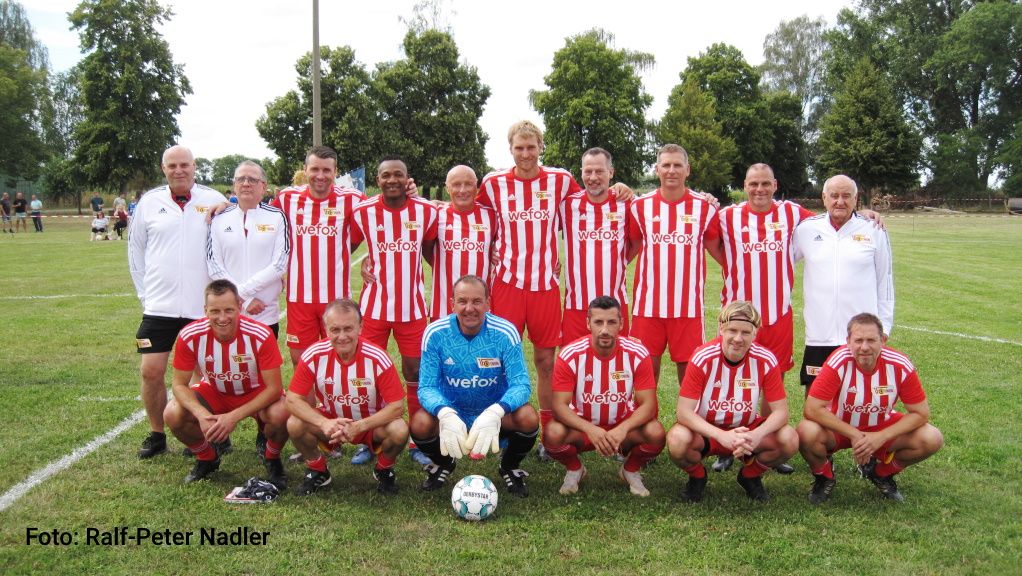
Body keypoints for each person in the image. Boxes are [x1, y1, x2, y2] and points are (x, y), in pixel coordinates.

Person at [477, 121, 631, 452]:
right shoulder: (493, 183)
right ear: (510, 149)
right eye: (519, 147)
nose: (526, 153)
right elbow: (472, 213)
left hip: (545, 286)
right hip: (507, 284)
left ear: (541, 147)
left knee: (547, 361)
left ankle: (548, 432)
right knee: (501, 358)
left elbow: (593, 197)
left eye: (531, 147)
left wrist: (622, 188)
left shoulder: (560, 181)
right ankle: (501, 427)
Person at [128, 144, 226, 459]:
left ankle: (210, 433)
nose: (178, 170)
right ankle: (157, 434)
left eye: (184, 165)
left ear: (194, 166)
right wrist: (146, 294)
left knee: (203, 375)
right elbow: (136, 252)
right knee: (151, 371)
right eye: (172, 166)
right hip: (159, 307)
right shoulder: (148, 202)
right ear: (163, 168)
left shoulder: (214, 200)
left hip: (200, 307)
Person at [413, 275, 539, 497]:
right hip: (453, 414)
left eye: (477, 301)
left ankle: (509, 466)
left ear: (488, 303)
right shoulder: (435, 333)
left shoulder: (505, 332)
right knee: (420, 423)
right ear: (452, 304)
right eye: (462, 301)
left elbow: (521, 384)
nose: (469, 308)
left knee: (528, 417)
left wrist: (495, 411)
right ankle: (444, 463)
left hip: (493, 416)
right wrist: (445, 413)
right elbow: (426, 387)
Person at [797, 313, 943, 503]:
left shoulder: (899, 364)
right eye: (858, 340)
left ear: (883, 340)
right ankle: (824, 476)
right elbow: (812, 408)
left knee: (932, 438)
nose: (864, 347)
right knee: (805, 432)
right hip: (840, 426)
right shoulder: (838, 360)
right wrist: (856, 435)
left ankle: (881, 473)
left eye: (871, 340)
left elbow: (921, 413)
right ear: (848, 341)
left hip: (880, 426)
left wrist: (879, 437)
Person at [350, 157, 437, 467]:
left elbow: (432, 250)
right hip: (374, 308)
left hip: (412, 309)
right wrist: (365, 265)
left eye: (398, 175)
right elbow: (345, 247)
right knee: (369, 374)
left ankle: (417, 440)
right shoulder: (363, 211)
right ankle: (369, 439)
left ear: (406, 178)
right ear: (378, 178)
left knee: (414, 373)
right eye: (385, 175)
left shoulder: (426, 212)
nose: (392, 180)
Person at [666, 301, 799, 502]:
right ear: (721, 328)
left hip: (746, 432)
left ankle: (750, 477)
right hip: (707, 432)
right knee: (677, 440)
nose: (738, 338)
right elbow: (684, 412)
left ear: (755, 334)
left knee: (789, 438)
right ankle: (698, 477)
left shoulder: (766, 359)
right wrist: (721, 435)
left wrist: (756, 435)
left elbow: (781, 413)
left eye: (746, 332)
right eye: (732, 330)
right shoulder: (703, 357)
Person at [163, 280, 289, 487]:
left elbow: (274, 388)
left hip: (255, 392)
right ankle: (207, 458)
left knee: (282, 412)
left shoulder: (260, 334)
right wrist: (201, 414)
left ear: (240, 307)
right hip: (215, 391)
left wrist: (233, 418)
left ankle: (272, 458)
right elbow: (178, 385)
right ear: (205, 310)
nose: (222, 318)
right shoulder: (189, 335)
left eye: (229, 310)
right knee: (173, 413)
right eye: (215, 311)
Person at [285, 299, 409, 496]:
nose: (342, 336)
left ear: (360, 327)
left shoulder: (378, 357)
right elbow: (292, 399)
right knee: (294, 424)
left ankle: (384, 469)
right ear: (326, 329)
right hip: (330, 423)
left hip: (369, 424)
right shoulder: (313, 355)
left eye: (348, 328)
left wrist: (359, 426)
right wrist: (324, 423)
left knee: (399, 429)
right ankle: (318, 471)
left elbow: (396, 406)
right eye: (335, 330)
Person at [544, 296, 664, 497]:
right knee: (552, 433)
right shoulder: (570, 354)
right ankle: (575, 469)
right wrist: (590, 429)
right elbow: (559, 406)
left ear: (621, 324)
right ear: (588, 323)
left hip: (622, 429)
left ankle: (630, 470)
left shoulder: (637, 352)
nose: (605, 330)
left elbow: (648, 405)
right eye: (598, 322)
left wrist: (622, 429)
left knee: (656, 432)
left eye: (612, 322)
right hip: (583, 428)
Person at [792, 175, 894, 396]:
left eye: (846, 196)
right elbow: (779, 263)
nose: (840, 201)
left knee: (860, 399)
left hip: (861, 335)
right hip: (820, 334)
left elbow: (885, 282)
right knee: (816, 407)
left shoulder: (874, 230)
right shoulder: (806, 230)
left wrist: (883, 327)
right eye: (834, 195)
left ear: (856, 199)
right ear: (824, 197)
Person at [627, 144, 719, 387]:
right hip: (648, 308)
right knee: (644, 374)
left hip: (687, 308)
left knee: (690, 378)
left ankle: (689, 425)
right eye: (666, 165)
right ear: (657, 169)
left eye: (677, 165)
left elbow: (718, 249)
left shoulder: (705, 207)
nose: (671, 170)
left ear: (687, 170)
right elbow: (632, 247)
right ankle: (643, 425)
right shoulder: (639, 206)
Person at [272, 146, 365, 366]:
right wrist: (226, 205)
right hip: (299, 296)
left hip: (336, 297)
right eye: (315, 169)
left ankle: (336, 401)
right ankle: (310, 403)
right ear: (305, 170)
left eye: (326, 170)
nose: (320, 176)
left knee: (342, 357)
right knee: (301, 361)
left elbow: (384, 213)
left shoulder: (353, 199)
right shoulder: (287, 198)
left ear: (335, 171)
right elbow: (261, 217)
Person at [207, 160, 289, 338]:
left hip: (264, 313)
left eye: (252, 179)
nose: (245, 183)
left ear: (263, 186)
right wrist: (245, 299)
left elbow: (280, 265)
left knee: (263, 367)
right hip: (227, 313)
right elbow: (214, 266)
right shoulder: (219, 218)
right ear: (234, 185)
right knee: (227, 366)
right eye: (241, 179)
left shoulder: (277, 217)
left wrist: (241, 295)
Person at [559, 148, 631, 344]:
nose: (593, 177)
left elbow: (639, 241)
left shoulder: (628, 205)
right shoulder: (567, 205)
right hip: (576, 304)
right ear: (581, 172)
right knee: (572, 364)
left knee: (617, 364)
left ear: (611, 173)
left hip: (615, 304)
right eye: (588, 171)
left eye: (599, 171)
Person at [428, 165, 496, 321]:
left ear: (477, 186)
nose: (463, 190)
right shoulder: (436, 215)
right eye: (456, 184)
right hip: (443, 306)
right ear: (447, 188)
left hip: (481, 308)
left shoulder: (492, 216)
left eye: (468, 184)